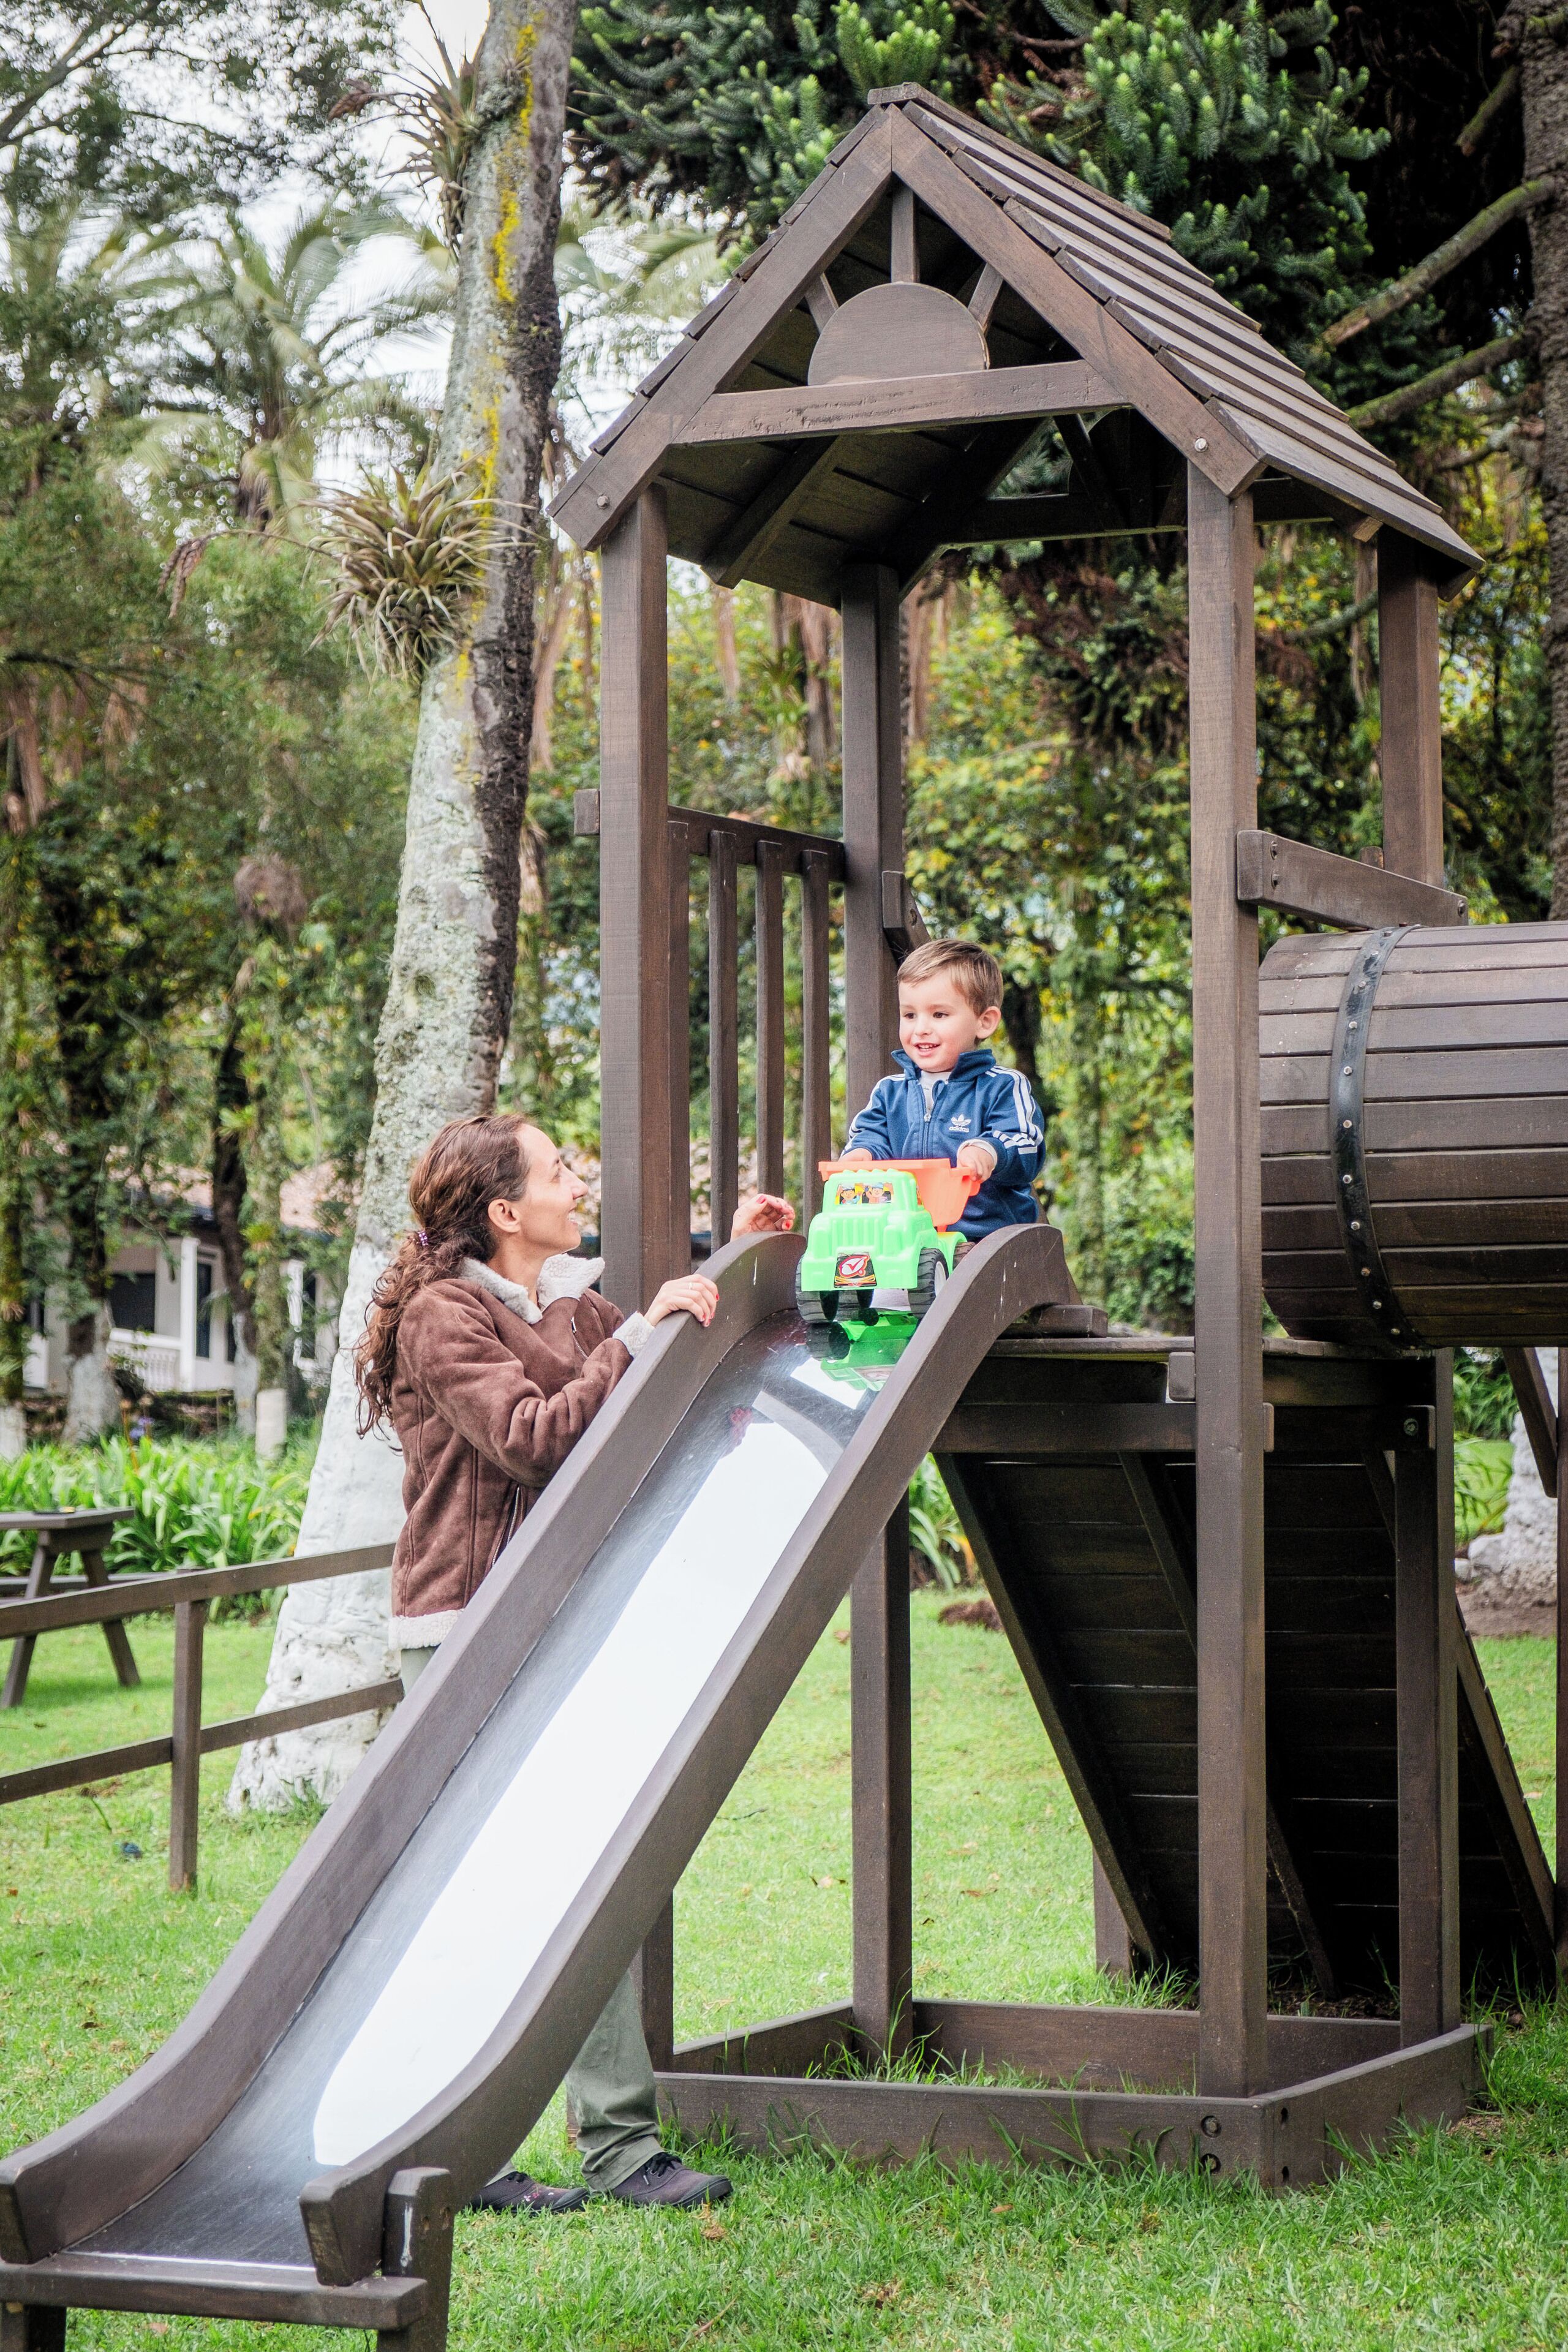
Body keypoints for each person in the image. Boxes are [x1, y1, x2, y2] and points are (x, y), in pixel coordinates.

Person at [355, 1112, 793, 2214]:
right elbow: (536, 1434)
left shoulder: (576, 1303)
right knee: (491, 1905)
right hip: (467, 1632)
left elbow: (652, 1380)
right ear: (506, 1211)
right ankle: (464, 2154)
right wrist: (637, 1336)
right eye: (557, 1171)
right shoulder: (442, 1315)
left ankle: (619, 2148)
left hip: (564, 1626)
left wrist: (733, 1260)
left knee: (593, 1887)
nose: (574, 1180)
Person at [839, 938, 1046, 1236]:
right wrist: (863, 1154)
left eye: (939, 1014)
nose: (921, 1027)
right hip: (904, 1233)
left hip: (984, 1236)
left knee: (955, 1271)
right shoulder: (889, 1092)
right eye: (910, 1015)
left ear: (984, 1022)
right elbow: (871, 1135)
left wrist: (989, 1151)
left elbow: (1026, 1142)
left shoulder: (1002, 1087)